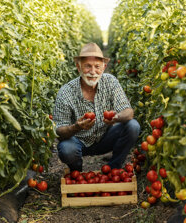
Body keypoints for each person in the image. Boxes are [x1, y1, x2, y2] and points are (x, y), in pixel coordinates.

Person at [53, 42, 140, 172]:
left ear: (104, 67)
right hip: (78, 141)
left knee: (133, 126)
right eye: (87, 66)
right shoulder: (66, 92)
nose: (93, 72)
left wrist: (116, 117)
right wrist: (76, 127)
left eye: (97, 66)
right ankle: (76, 173)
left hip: (105, 138)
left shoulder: (110, 82)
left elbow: (128, 112)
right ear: (78, 67)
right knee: (67, 149)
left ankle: (113, 169)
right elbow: (59, 131)